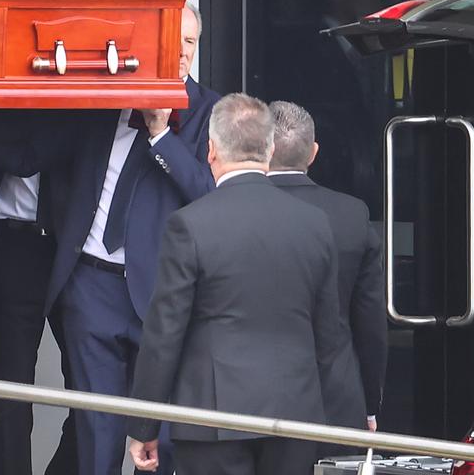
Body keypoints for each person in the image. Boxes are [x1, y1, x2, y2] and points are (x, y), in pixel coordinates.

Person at [127, 94, 358, 475]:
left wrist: (144, 426)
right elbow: (329, 334)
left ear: (211, 150)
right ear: (269, 150)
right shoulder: (314, 223)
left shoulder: (191, 224)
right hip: (295, 415)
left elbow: (163, 334)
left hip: (212, 416)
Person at [40, 5, 219, 475]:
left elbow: (208, 192)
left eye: (191, 43)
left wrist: (161, 133)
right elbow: (56, 169)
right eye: (174, 39)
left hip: (161, 294)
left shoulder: (208, 111)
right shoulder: (102, 99)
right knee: (96, 428)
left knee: (160, 439)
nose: (182, 52)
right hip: (91, 284)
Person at [267, 100, 386, 432]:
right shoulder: (352, 215)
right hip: (334, 396)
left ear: (262, 150)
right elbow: (370, 321)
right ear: (313, 153)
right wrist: (370, 402)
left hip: (246, 403)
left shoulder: (223, 211)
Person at [0, 110, 78, 475]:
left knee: (94, 388)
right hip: (13, 244)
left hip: (75, 249)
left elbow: (33, 155)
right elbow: (22, 159)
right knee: (10, 390)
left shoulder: (83, 101)